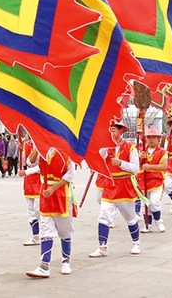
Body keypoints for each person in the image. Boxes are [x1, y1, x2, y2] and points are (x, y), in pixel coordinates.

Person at [89, 119, 142, 258]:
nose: (111, 132)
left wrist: (121, 163)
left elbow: (135, 168)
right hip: (110, 185)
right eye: (110, 129)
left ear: (121, 131)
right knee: (104, 216)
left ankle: (136, 243)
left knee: (130, 218)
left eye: (114, 129)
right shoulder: (105, 148)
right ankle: (102, 247)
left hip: (125, 185)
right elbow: (96, 157)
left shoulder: (131, 148)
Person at [24, 147, 77, 278]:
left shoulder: (66, 151)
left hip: (61, 194)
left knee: (64, 230)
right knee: (46, 230)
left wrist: (54, 188)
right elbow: (30, 162)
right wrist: (37, 148)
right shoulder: (43, 149)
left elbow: (70, 174)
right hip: (45, 194)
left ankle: (66, 261)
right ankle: (44, 265)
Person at [137, 126, 168, 233]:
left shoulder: (162, 152)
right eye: (149, 137)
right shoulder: (141, 150)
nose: (151, 139)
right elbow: (135, 166)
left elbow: (164, 166)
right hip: (143, 182)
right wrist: (140, 158)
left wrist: (149, 167)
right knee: (145, 205)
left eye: (154, 137)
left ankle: (159, 221)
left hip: (156, 182)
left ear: (158, 139)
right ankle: (147, 225)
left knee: (154, 202)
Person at [18, 133, 42, 246]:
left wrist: (27, 171)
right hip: (29, 182)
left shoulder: (43, 144)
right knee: (31, 211)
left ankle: (47, 233)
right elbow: (25, 163)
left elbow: (41, 165)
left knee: (39, 210)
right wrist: (21, 151)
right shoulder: (27, 144)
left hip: (40, 181)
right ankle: (35, 236)